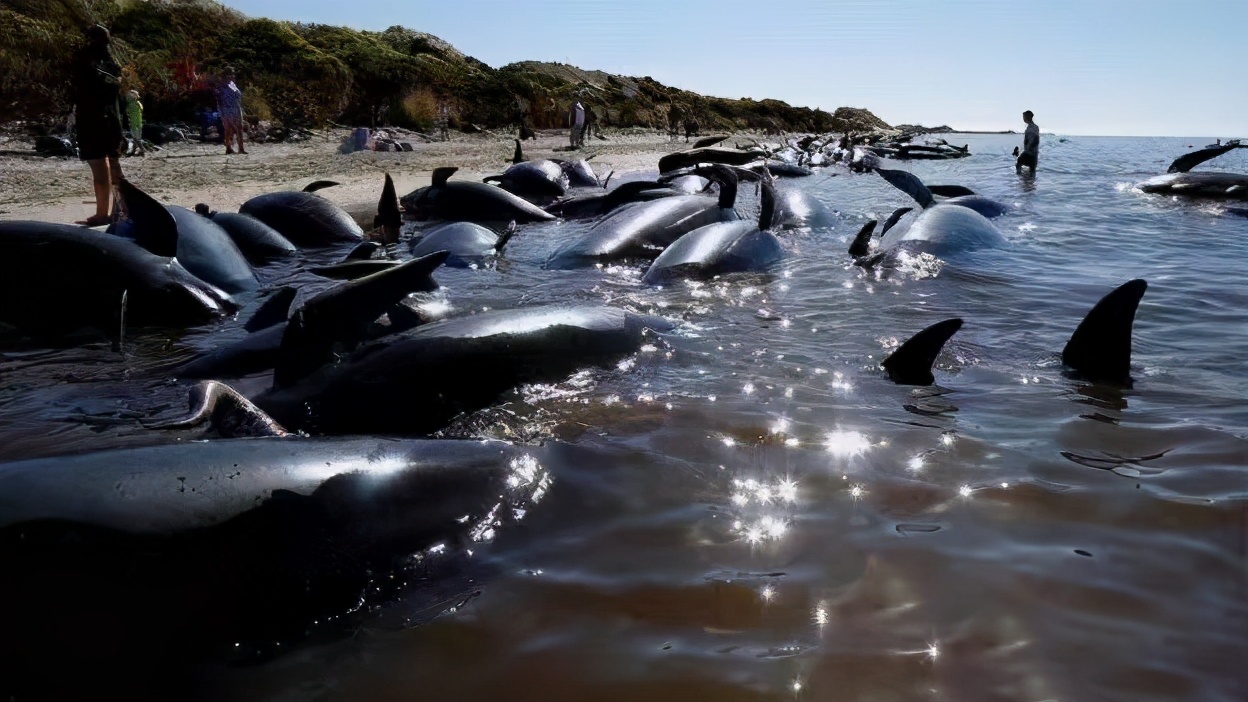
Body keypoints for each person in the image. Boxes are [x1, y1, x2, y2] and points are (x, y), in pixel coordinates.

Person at [71, 25, 125, 226]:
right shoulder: (113, 66)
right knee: (115, 168)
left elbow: (78, 89)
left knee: (99, 168)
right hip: (112, 120)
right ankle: (119, 211)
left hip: (92, 119)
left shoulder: (84, 62)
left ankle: (102, 214)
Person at [216, 66, 246, 155]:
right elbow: (219, 100)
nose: (233, 76)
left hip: (236, 108)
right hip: (227, 109)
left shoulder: (232, 84)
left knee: (239, 128)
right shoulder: (222, 86)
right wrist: (222, 112)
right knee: (228, 129)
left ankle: (241, 148)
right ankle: (228, 147)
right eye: (231, 74)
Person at [124, 89, 144, 156]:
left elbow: (141, 109)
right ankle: (137, 149)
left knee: (137, 137)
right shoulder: (131, 104)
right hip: (134, 122)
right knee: (135, 137)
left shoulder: (135, 103)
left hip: (137, 122)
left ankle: (140, 149)